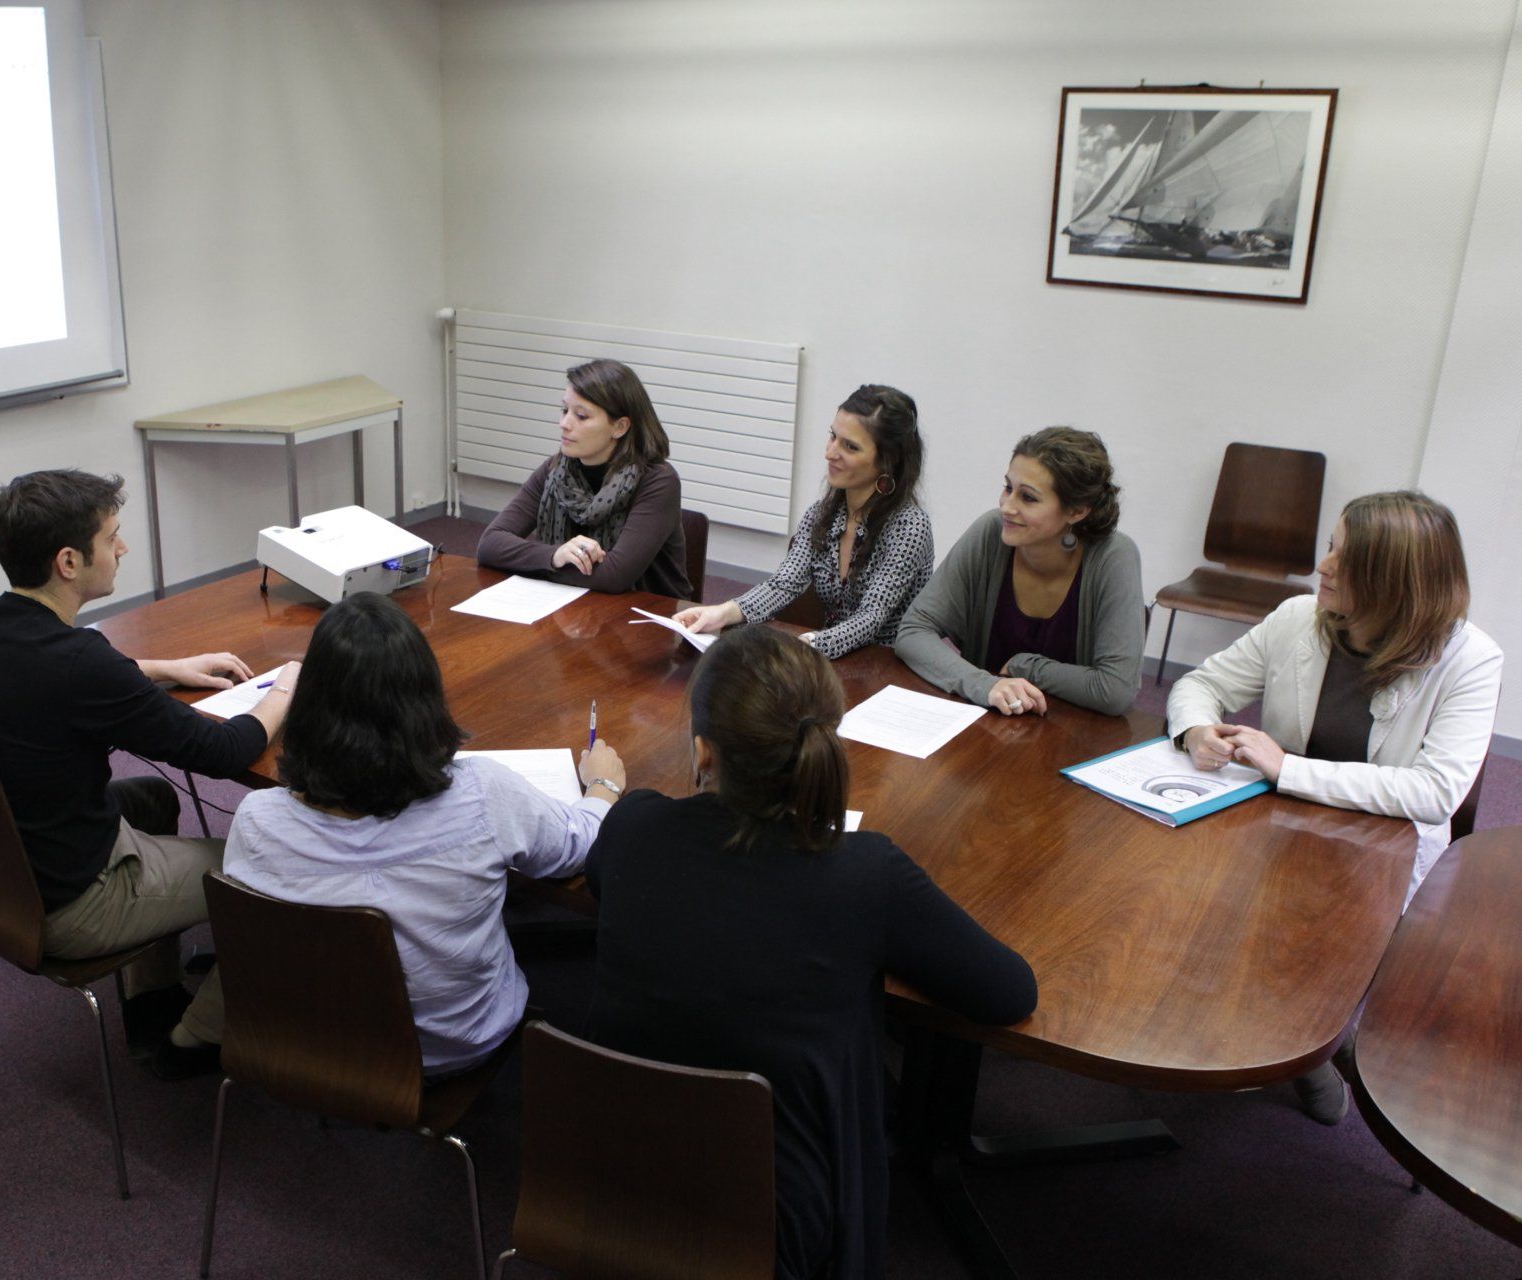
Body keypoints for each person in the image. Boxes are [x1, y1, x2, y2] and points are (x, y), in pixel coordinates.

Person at [585, 626, 1037, 1280]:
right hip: (781, 1231)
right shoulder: (863, 873)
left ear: (704, 752)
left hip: (600, 1183)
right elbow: (1008, 993)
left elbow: (608, 877)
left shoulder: (632, 829)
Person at [0, 469, 299, 1079]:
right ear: (70, 561)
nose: (122, 548)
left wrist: (161, 666)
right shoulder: (81, 665)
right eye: (113, 538)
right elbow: (223, 750)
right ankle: (194, 1041)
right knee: (279, 868)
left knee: (153, 798)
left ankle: (150, 998)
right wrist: (289, 681)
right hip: (70, 901)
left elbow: (59, 673)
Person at [1169, 491, 1499, 1125]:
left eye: (1347, 559)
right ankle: (1288, 1042)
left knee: (1316, 933)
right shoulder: (1299, 617)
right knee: (1187, 885)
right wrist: (1196, 731)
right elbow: (1200, 684)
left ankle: (1308, 1050)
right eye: (1331, 546)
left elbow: (1435, 794)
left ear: (1393, 581)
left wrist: (1288, 768)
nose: (1324, 565)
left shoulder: (1470, 659)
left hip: (1380, 847)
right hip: (1276, 819)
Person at [224, 592, 625, 1076]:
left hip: (307, 1042)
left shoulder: (254, 820)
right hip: (455, 1049)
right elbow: (578, 848)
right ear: (425, 700)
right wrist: (602, 785)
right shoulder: (481, 796)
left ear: (307, 706)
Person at [896, 426, 1145, 716]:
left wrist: (1025, 667)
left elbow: (1115, 690)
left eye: (1028, 498)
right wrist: (984, 684)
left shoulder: (1114, 556)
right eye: (1008, 488)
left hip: (1074, 732)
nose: (1007, 507)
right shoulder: (990, 533)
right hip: (988, 724)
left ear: (1076, 511)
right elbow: (913, 631)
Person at [673, 384, 933, 657]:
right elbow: (783, 584)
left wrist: (807, 645)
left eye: (850, 446)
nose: (830, 453)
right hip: (831, 660)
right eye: (833, 436)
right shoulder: (823, 513)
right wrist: (723, 612)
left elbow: (871, 616)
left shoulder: (909, 526)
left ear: (887, 461)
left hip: (888, 666)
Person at [476, 358, 693, 598]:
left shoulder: (658, 481)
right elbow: (489, 544)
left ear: (619, 427)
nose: (564, 424)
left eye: (581, 416)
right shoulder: (555, 470)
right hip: (574, 608)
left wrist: (534, 563)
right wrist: (553, 556)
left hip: (650, 614)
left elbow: (614, 576)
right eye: (564, 410)